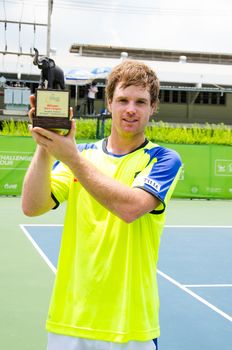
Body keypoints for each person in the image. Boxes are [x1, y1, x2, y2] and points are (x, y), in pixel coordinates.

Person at [22, 59, 182, 350]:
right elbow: (33, 206)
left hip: (130, 326)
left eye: (140, 102)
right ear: (109, 103)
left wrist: (71, 157)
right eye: (122, 100)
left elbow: (131, 208)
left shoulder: (163, 159)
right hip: (70, 319)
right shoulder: (82, 154)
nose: (130, 109)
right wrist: (44, 144)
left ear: (153, 107)